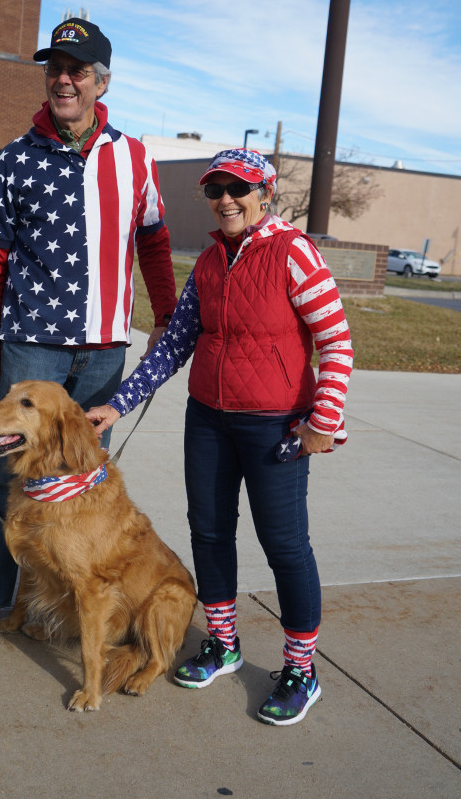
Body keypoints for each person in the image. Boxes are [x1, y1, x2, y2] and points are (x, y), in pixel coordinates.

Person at [87, 148, 353, 726]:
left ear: (265, 193)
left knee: (285, 547)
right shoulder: (209, 261)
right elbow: (177, 341)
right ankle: (224, 643)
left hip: (275, 425)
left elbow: (336, 342)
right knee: (208, 534)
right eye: (216, 190)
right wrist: (118, 404)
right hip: (208, 418)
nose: (226, 198)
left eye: (238, 187)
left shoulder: (293, 252)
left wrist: (322, 423)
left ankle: (301, 670)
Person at [0, 18, 178, 651]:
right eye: (56, 68)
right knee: (4, 470)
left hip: (104, 349)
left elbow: (154, 244)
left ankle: (67, 588)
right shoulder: (14, 160)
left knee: (81, 473)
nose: (64, 80)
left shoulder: (133, 159)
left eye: (78, 69)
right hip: (30, 344)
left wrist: (165, 316)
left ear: (102, 82)